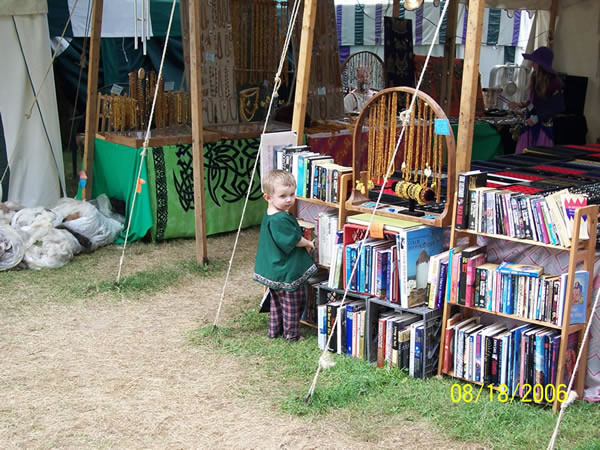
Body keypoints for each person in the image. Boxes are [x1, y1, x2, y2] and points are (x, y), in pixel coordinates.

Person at [253, 170, 317, 341]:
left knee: (277, 302)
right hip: (285, 269)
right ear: (268, 197)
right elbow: (293, 240)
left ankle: (275, 330)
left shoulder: (271, 214)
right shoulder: (280, 219)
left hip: (274, 268)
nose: (289, 199)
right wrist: (308, 243)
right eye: (283, 196)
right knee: (292, 303)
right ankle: (291, 334)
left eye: (292, 194)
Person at [510, 46, 565, 154]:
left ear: (541, 64)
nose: (532, 65)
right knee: (523, 155)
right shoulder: (535, 78)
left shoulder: (554, 83)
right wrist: (521, 105)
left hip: (543, 129)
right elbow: (533, 102)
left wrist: (538, 117)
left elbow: (557, 106)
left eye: (535, 62)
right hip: (529, 127)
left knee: (539, 157)